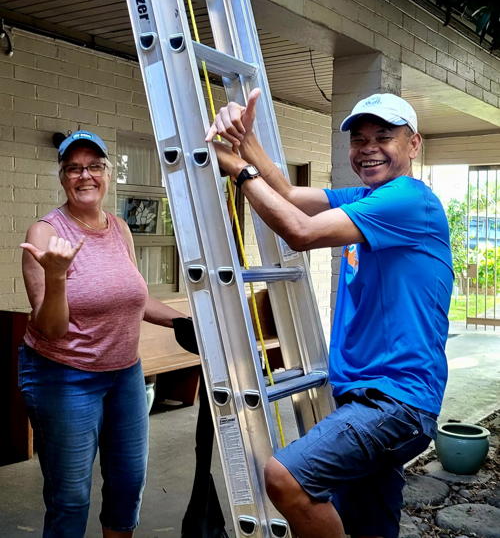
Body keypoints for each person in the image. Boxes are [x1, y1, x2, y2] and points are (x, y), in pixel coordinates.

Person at [206, 90, 453, 538]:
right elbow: (286, 193)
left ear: (413, 144)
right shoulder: (365, 195)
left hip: (395, 400)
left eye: (384, 136)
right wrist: (247, 141)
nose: (369, 148)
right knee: (368, 525)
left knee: (286, 477)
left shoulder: (408, 200)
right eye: (359, 140)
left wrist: (236, 169)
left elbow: (299, 231)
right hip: (370, 396)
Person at [19, 130, 194, 538]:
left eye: (94, 166)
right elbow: (51, 328)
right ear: (62, 177)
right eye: (75, 168)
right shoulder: (44, 233)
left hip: (125, 374)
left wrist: (181, 323)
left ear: (107, 174)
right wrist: (57, 276)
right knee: (70, 496)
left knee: (128, 484)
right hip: (63, 375)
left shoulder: (119, 228)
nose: (86, 176)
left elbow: (134, 297)